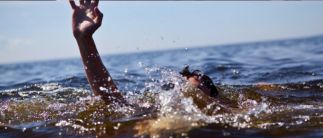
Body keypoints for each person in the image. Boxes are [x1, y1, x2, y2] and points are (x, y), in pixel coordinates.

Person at [69, 0, 218, 105]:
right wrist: (84, 40)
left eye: (199, 79)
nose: (191, 79)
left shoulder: (220, 112)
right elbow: (112, 101)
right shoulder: (157, 109)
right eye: (185, 79)